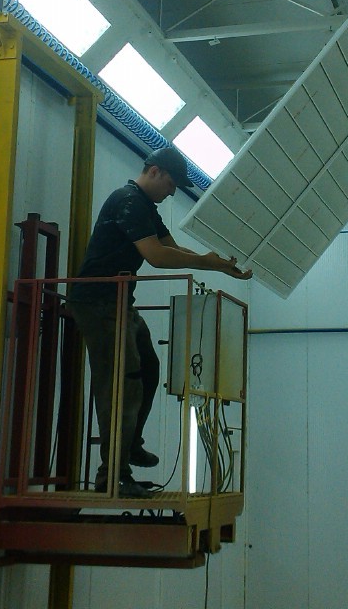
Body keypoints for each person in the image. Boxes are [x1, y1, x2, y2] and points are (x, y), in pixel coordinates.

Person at [67, 147, 252, 498]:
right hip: (98, 303)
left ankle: (130, 444)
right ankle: (113, 475)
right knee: (123, 383)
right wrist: (206, 262)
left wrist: (218, 265)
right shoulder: (128, 201)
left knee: (148, 369)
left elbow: (172, 247)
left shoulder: (145, 207)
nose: (171, 192)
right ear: (154, 171)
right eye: (171, 184)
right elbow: (155, 256)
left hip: (119, 301)